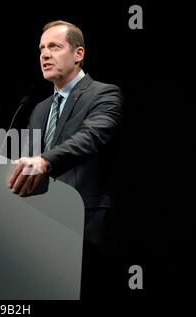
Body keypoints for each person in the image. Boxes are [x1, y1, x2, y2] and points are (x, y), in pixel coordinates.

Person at [8, 20, 123, 298]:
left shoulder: (104, 94)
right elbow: (28, 162)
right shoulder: (38, 110)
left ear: (78, 53)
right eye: (41, 49)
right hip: (43, 231)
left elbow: (91, 137)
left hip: (86, 229)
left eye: (54, 47)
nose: (44, 55)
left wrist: (45, 161)